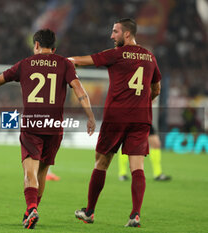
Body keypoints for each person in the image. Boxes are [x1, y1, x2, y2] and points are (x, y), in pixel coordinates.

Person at [0, 29, 96, 229]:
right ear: (54, 48)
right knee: (43, 172)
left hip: (32, 125)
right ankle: (32, 210)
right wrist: (90, 115)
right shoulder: (64, 64)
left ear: (36, 45)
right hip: (54, 127)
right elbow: (79, 90)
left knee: (30, 172)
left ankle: (31, 208)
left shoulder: (25, 64)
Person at [68, 18, 161, 227]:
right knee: (137, 167)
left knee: (101, 162)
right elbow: (156, 89)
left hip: (116, 118)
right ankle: (135, 214)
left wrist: (64, 60)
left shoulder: (117, 54)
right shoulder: (150, 57)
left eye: (115, 32)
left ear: (127, 34)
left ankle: (89, 211)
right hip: (141, 119)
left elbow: (84, 60)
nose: (112, 36)